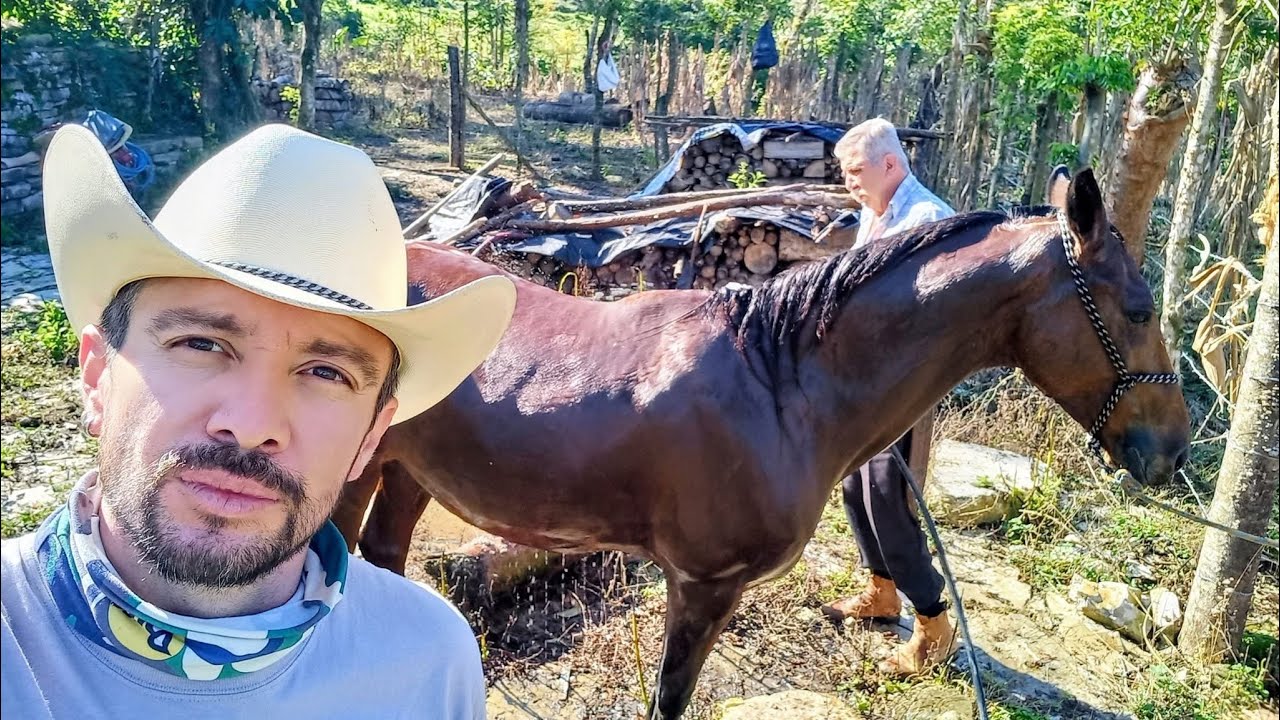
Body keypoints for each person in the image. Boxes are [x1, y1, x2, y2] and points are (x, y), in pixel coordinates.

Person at [1, 123, 517, 718]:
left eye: (326, 373)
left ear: (370, 436)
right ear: (97, 377)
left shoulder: (428, 661)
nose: (251, 425)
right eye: (201, 343)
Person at [820, 117, 958, 676]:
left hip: (906, 384)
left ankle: (934, 624)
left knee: (886, 495)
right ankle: (882, 593)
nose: (850, 182)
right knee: (853, 486)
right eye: (845, 173)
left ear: (890, 165)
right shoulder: (873, 214)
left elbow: (934, 317)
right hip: (865, 379)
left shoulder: (930, 221)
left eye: (856, 172)